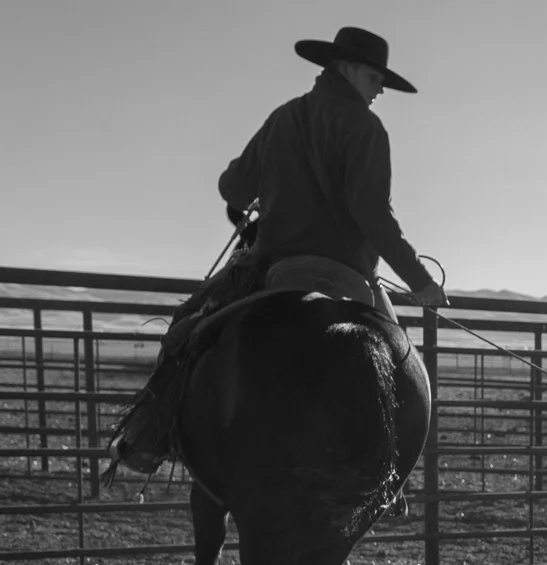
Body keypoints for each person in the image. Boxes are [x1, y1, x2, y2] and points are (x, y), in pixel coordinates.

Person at [115, 26, 446, 474]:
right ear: (346, 69)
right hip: (348, 271)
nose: (377, 93)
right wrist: (421, 282)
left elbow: (231, 186)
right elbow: (373, 215)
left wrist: (252, 202)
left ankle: (149, 439)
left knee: (186, 329)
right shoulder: (366, 129)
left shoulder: (284, 117)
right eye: (373, 81)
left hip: (269, 265)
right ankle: (389, 477)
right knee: (402, 366)